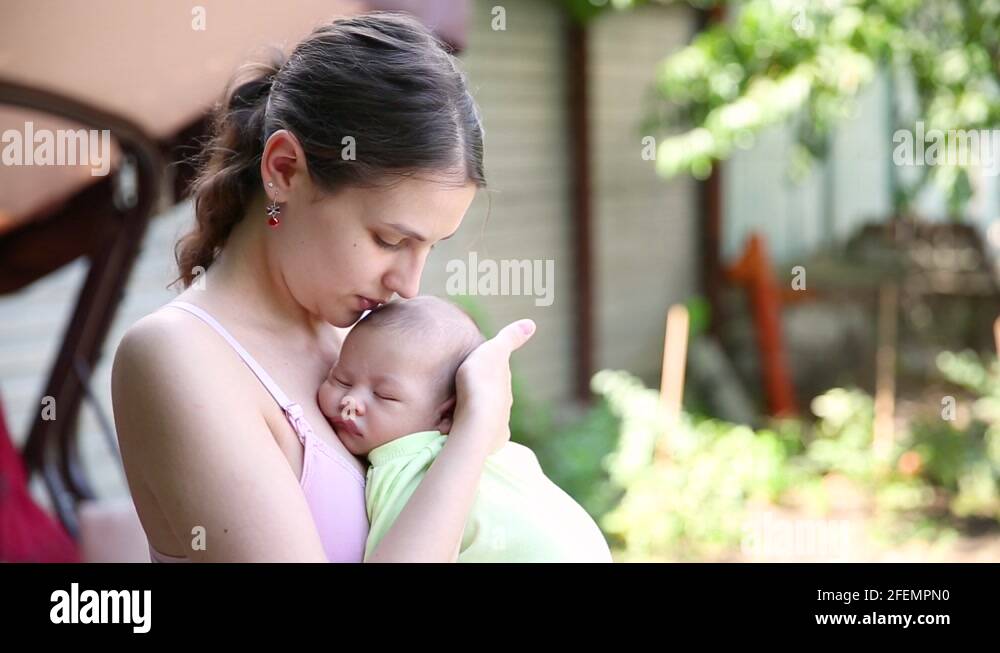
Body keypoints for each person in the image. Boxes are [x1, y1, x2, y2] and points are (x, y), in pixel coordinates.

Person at [110, 12, 535, 563]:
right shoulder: (178, 357)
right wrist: (473, 435)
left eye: (431, 247)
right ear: (284, 169)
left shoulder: (362, 343)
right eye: (389, 240)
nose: (408, 285)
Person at [319, 296, 612, 562]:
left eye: (384, 396)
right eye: (341, 379)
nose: (351, 401)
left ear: (446, 415)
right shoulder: (493, 448)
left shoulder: (402, 465)